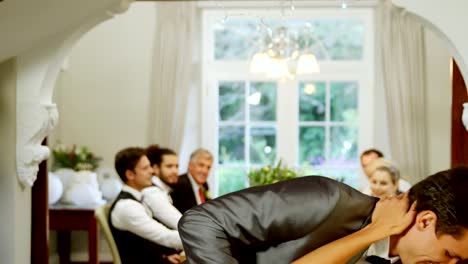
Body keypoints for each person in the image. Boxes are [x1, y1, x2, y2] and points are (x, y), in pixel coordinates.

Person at [178, 167, 468, 264]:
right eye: (449, 254)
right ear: (426, 220)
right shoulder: (328, 199)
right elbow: (201, 221)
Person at [109, 147, 183, 264]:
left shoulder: (137, 199)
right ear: (130, 174)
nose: (152, 171)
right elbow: (164, 236)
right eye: (145, 168)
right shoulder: (127, 207)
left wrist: (164, 257)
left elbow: (143, 244)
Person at [142, 145, 183, 230]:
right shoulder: (152, 192)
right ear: (156, 169)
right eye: (169, 166)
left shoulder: (163, 189)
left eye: (177, 166)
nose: (175, 171)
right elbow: (180, 223)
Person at [170, 148, 213, 214]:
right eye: (201, 165)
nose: (205, 171)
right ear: (190, 165)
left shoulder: (205, 185)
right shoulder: (180, 185)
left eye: (208, 167)